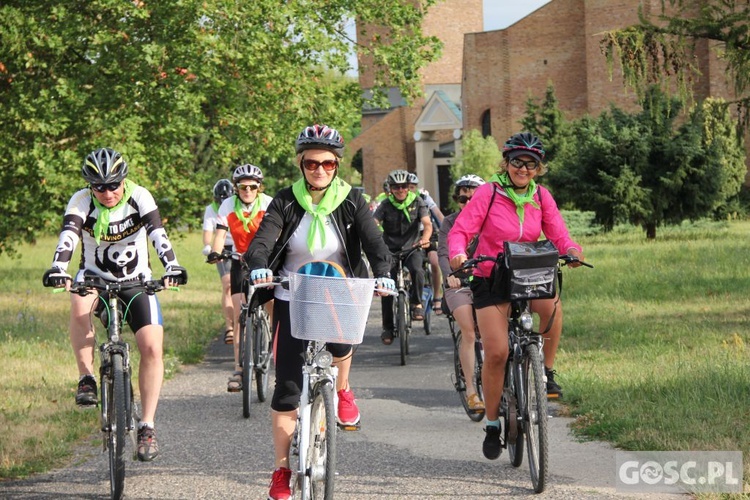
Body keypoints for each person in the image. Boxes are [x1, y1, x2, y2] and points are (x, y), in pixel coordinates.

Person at [246, 124, 394, 500]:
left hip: (340, 286)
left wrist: (384, 274)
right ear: (301, 163)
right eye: (312, 163)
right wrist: (259, 265)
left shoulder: (351, 199)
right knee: (287, 389)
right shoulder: (285, 200)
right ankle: (281, 470)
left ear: (337, 165)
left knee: (342, 347)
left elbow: (374, 241)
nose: (320, 171)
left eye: (328, 164)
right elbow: (262, 240)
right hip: (293, 292)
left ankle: (342, 390)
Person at [42, 148, 188, 462]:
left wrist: (172, 266)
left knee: (151, 346)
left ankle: (147, 426)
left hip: (137, 279)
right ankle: (87, 378)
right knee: (79, 304)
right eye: (99, 187)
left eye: (113, 185)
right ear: (90, 186)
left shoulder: (140, 197)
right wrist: (58, 268)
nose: (107, 192)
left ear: (123, 180)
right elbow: (68, 238)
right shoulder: (81, 201)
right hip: (94, 276)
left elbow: (158, 235)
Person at [447, 132, 584, 460]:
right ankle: (493, 424)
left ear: (539, 168)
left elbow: (557, 231)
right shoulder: (488, 192)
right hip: (490, 273)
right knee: (497, 352)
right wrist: (457, 254)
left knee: (552, 306)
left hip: (528, 269)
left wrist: (571, 249)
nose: (524, 169)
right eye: (517, 162)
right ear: (506, 163)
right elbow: (461, 231)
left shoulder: (541, 196)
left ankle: (546, 372)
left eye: (531, 164)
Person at [206, 164, 273, 392]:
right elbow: (220, 234)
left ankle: (274, 345)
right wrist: (216, 252)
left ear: (259, 188)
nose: (247, 191)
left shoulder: (268, 203)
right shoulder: (228, 205)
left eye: (252, 187)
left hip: (265, 261)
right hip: (240, 260)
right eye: (243, 187)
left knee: (273, 303)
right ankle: (238, 368)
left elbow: (279, 232)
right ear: (236, 188)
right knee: (239, 315)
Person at [437, 174, 486, 412]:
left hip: (487, 281)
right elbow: (444, 253)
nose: (467, 203)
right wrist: (450, 275)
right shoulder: (449, 222)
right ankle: (471, 390)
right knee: (469, 331)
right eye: (462, 199)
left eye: (472, 198)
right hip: (460, 283)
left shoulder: (491, 220)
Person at [373, 169, 432, 345]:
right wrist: (376, 237)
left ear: (409, 187)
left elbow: (427, 224)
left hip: (412, 247)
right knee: (386, 287)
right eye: (396, 187)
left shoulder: (417, 201)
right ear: (390, 189)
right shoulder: (385, 204)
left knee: (417, 270)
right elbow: (374, 223)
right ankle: (388, 328)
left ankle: (417, 304)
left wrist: (425, 239)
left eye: (404, 187)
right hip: (389, 250)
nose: (400, 190)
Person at [202, 179, 235, 344]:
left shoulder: (238, 205)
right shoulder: (211, 209)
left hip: (240, 244)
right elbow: (208, 232)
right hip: (221, 246)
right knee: (227, 284)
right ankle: (230, 327)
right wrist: (209, 247)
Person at [407, 172, 445, 315]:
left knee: (435, 262)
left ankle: (437, 296)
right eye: (407, 186)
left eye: (412, 187)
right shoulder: (401, 199)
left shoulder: (423, 197)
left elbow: (438, 214)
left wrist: (446, 229)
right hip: (412, 237)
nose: (410, 190)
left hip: (430, 235)